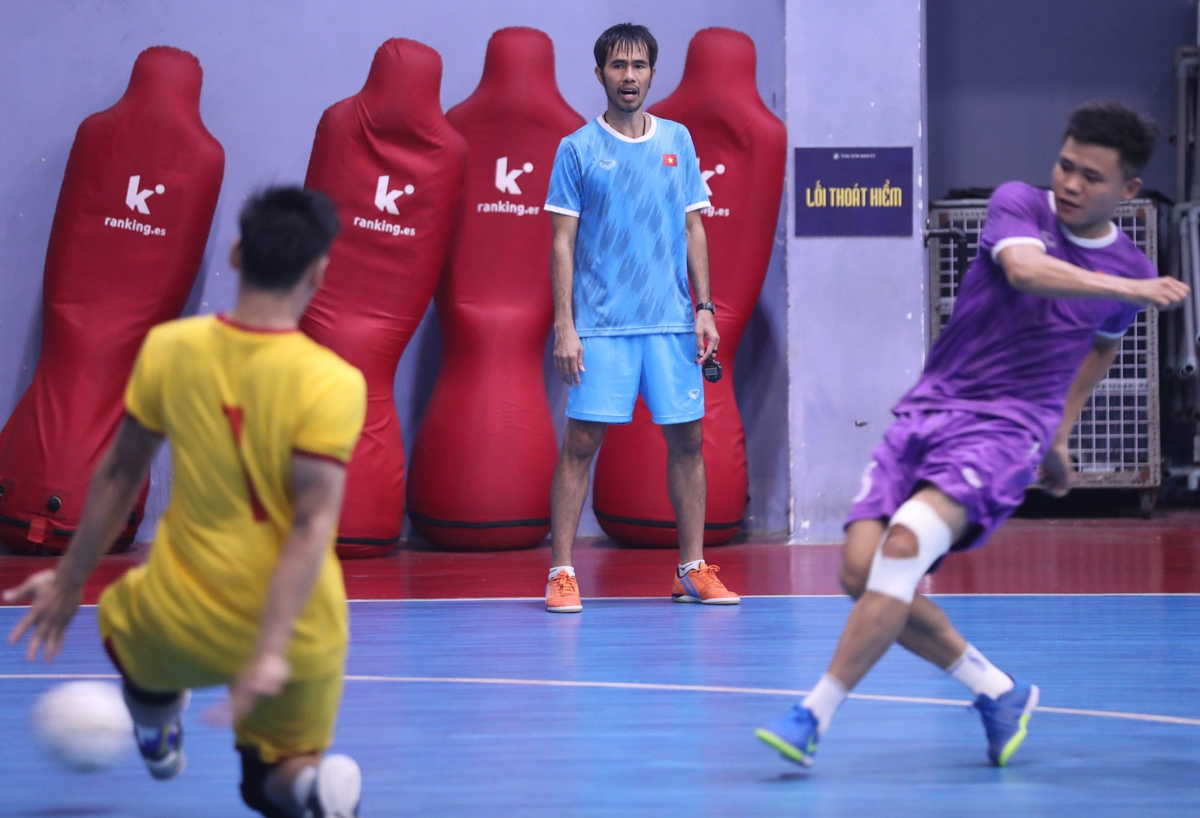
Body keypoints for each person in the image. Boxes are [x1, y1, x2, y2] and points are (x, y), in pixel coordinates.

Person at [756, 101, 1189, 767]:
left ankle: (811, 714)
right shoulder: (1022, 206)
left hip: (1007, 434)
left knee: (903, 548)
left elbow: (1100, 350)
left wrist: (1059, 433)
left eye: (1091, 177)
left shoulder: (1127, 268)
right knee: (860, 573)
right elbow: (1025, 272)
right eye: (1065, 166)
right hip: (932, 410)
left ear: (1128, 190)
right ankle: (997, 691)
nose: (1071, 184)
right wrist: (1127, 290)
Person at [5, 186, 368, 817]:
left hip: (185, 614)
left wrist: (68, 581)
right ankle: (310, 789)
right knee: (268, 784)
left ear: (236, 253)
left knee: (127, 630)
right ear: (318, 272)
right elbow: (311, 525)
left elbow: (119, 473)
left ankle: (156, 729)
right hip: (302, 625)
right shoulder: (335, 382)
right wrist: (270, 646)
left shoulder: (171, 349)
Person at [541, 23, 738, 613]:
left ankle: (691, 569)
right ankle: (561, 572)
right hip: (602, 326)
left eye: (639, 66)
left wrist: (704, 308)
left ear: (652, 72)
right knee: (581, 443)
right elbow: (561, 243)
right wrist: (565, 325)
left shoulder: (678, 139)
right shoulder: (577, 149)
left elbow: (693, 227)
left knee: (689, 441)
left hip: (671, 324)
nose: (629, 76)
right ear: (600, 73)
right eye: (618, 66)